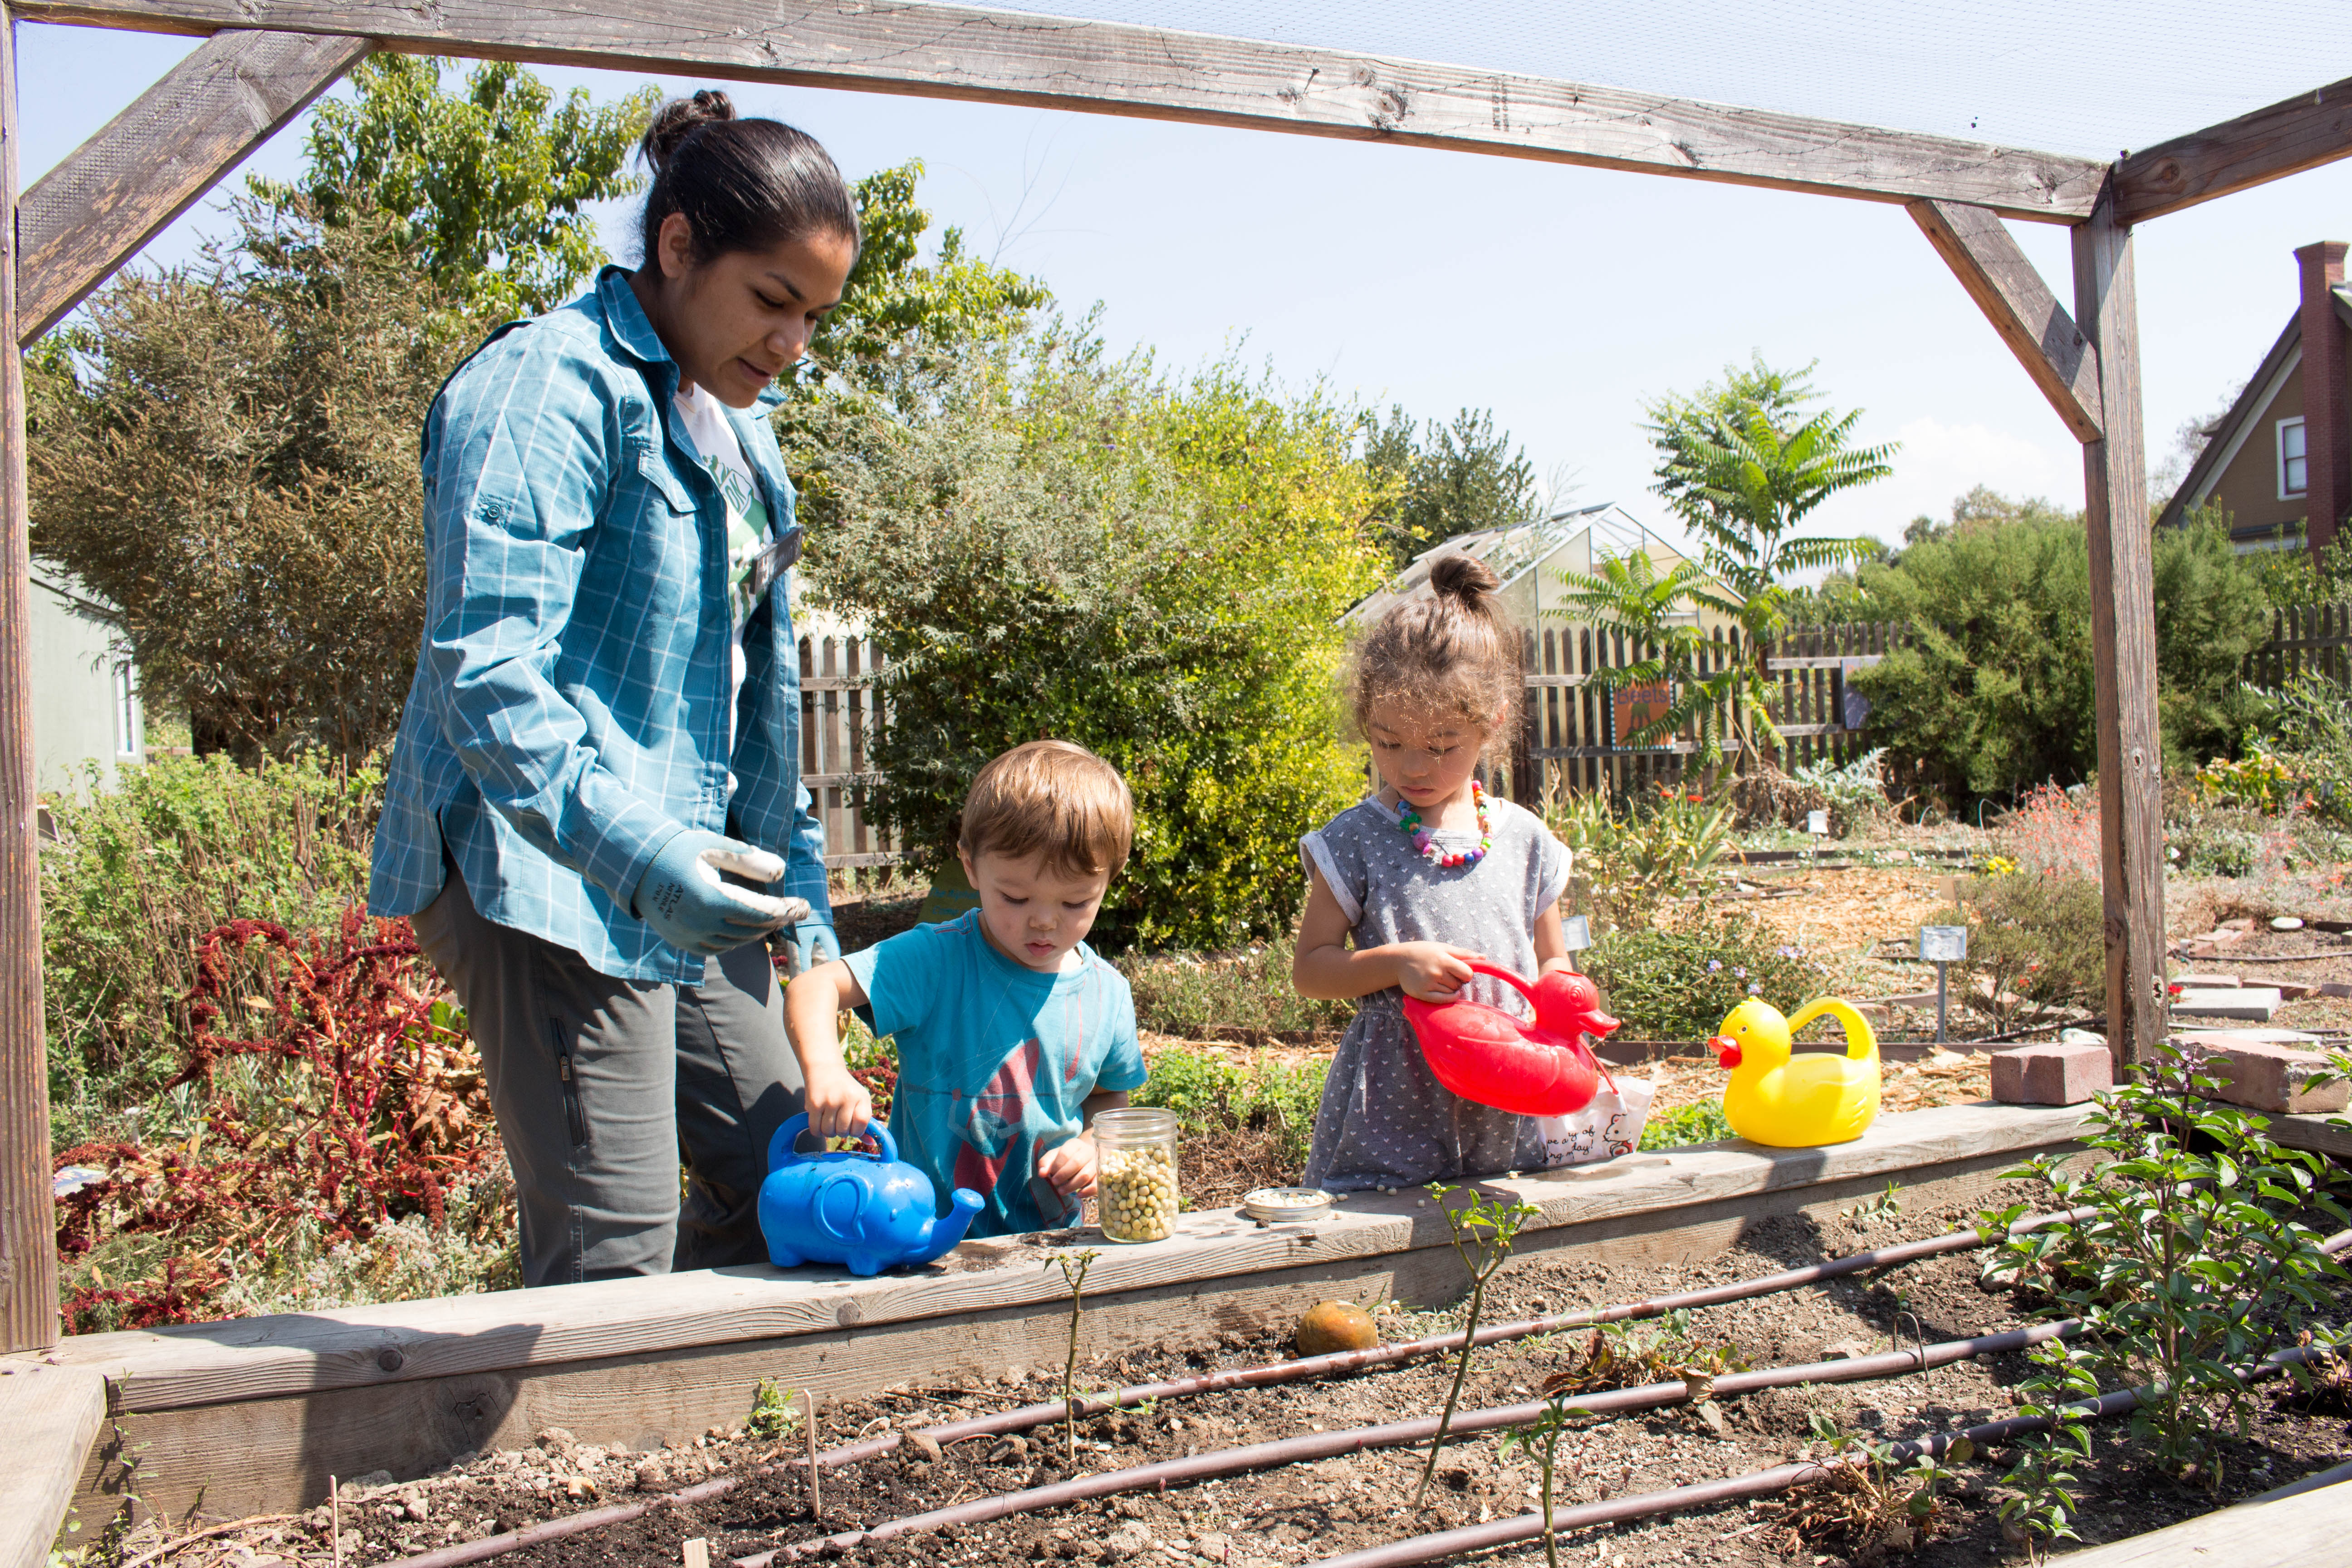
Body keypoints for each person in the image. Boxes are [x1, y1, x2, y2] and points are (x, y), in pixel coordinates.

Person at [368, 92, 858, 1285]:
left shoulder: (748, 441)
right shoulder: (545, 391)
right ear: (679, 245)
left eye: (815, 318)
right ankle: (571, 1456)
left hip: (675, 870)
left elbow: (758, 708)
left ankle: (699, 1432)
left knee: (794, 1168)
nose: (792, 343)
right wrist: (638, 858)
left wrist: (809, 927)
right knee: (616, 1242)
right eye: (772, 303)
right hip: (536, 860)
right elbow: (486, 671)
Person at [1291, 554, 1574, 1191]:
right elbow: (1311, 968)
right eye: (1389, 742)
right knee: (1380, 1252)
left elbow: (1554, 962)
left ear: (1492, 723)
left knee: (1498, 1236)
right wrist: (1396, 965)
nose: (1413, 766)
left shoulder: (1524, 839)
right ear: (1367, 722)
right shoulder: (1355, 840)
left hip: (1504, 1093)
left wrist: (1567, 1004)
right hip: (1394, 1105)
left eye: (1442, 746)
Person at [787, 741, 1146, 1236]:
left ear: (1111, 879)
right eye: (1015, 897)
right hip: (920, 1238)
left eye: (1075, 902)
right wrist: (826, 1069)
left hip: (1051, 1247)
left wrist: (1093, 1144)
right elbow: (812, 987)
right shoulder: (936, 960)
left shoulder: (1108, 994)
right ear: (971, 866)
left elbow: (1109, 1097)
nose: (1043, 921)